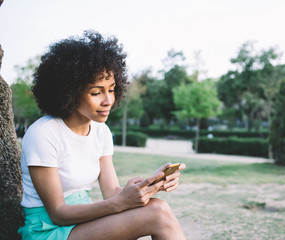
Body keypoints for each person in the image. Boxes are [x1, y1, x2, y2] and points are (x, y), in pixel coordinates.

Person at [18, 30, 186, 240]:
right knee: (158, 214)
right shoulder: (43, 134)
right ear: (69, 92)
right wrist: (119, 203)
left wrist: (150, 186)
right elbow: (58, 213)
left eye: (112, 89)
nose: (108, 100)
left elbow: (112, 192)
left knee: (158, 207)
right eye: (96, 92)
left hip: (83, 223)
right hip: (48, 230)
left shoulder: (100, 131)